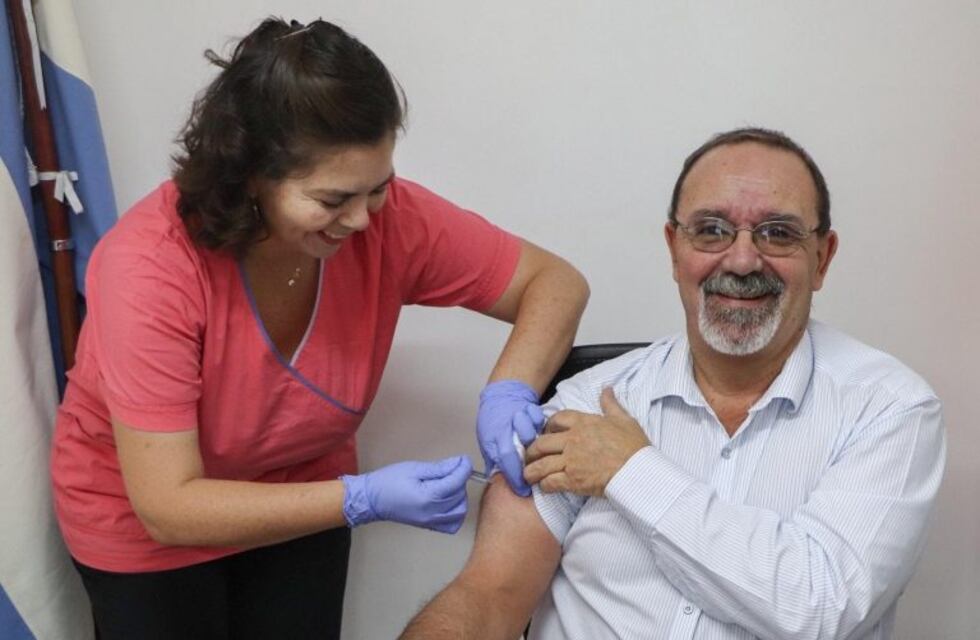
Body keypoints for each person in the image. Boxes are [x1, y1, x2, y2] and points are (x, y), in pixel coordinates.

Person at [50, 17, 588, 640]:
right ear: (252, 176)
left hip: (300, 500)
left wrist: (510, 389)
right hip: (148, 526)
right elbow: (169, 507)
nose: (362, 220)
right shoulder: (150, 268)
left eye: (378, 188)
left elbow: (555, 282)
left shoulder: (391, 221)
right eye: (332, 200)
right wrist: (363, 498)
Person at [400, 127, 945, 640]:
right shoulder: (588, 402)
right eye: (711, 229)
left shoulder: (890, 410)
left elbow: (822, 606)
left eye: (778, 233)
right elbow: (489, 594)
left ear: (822, 258)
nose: (741, 258)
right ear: (673, 248)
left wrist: (630, 471)